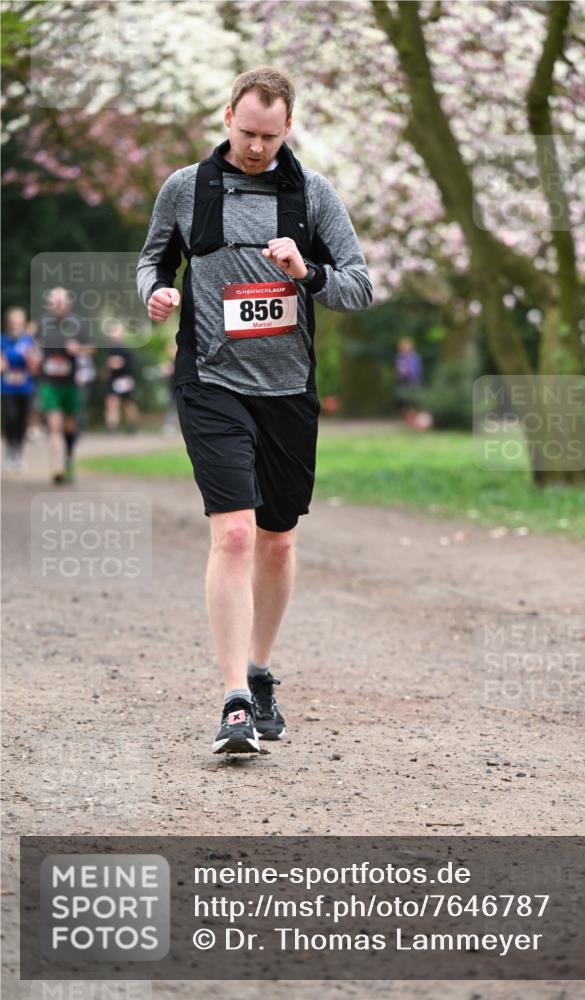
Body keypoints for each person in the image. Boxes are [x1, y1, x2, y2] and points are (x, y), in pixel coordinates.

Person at [137, 66, 372, 754]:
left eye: (269, 136)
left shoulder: (311, 195)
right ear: (225, 118)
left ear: (287, 128)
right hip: (210, 382)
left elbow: (359, 287)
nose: (255, 148)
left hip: (288, 390)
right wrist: (155, 294)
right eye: (245, 132)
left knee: (276, 538)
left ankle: (261, 670)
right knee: (234, 534)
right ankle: (233, 698)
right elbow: (151, 261)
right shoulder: (187, 188)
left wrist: (307, 271)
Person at [36, 287, 87, 484]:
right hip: (49, 383)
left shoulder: (78, 324)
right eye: (53, 302)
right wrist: (34, 355)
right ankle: (57, 467)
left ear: (68, 303)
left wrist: (79, 349)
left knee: (69, 428)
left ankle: (68, 459)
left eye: (60, 301)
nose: (56, 305)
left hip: (70, 384)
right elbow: (34, 344)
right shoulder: (42, 323)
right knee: (54, 426)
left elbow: (91, 349)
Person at [1, 307, 39, 471]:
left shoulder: (29, 341)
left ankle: (19, 453)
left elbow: (35, 367)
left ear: (23, 324)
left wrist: (31, 358)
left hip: (25, 387)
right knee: (10, 418)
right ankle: (9, 450)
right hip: (7, 387)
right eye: (13, 322)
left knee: (23, 421)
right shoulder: (2, 340)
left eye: (19, 322)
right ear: (8, 323)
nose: (16, 325)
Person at [104, 322, 140, 433]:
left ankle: (132, 425)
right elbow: (109, 364)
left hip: (124, 380)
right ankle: (112, 427)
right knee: (112, 402)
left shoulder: (125, 349)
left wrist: (115, 364)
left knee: (128, 403)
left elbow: (123, 364)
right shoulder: (111, 348)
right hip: (114, 380)